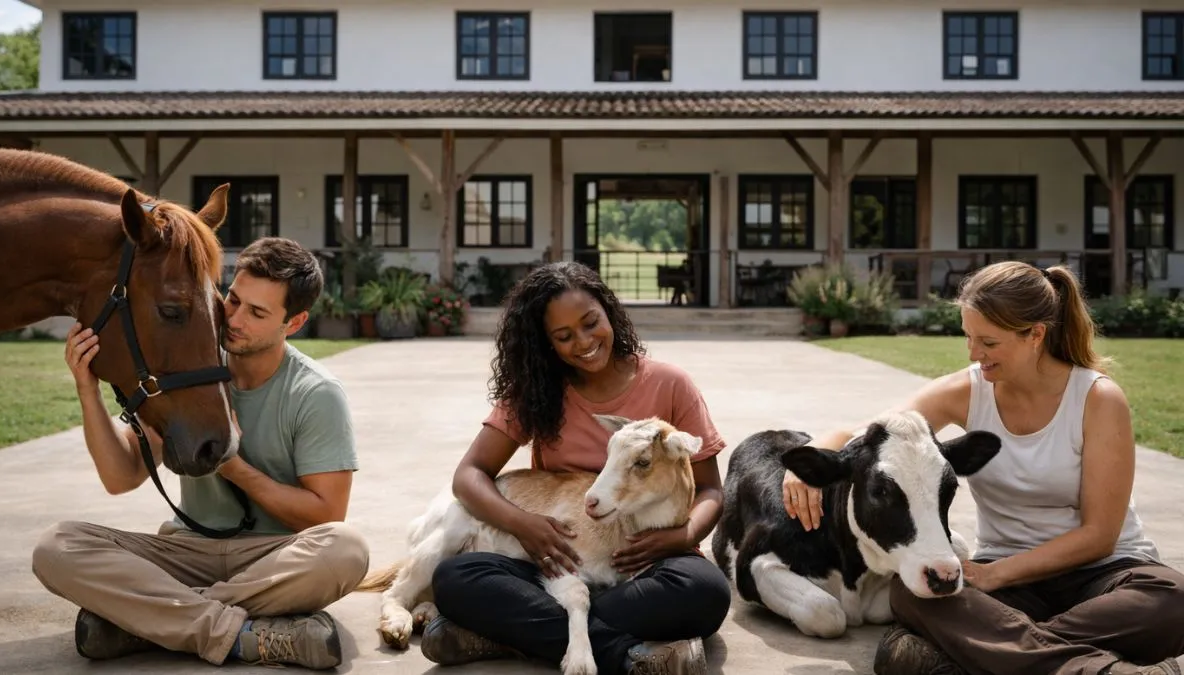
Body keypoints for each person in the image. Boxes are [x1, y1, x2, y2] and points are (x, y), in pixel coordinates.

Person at [782, 261, 1184, 675]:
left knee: (1174, 600)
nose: (975, 354)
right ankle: (1098, 668)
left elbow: (1099, 537)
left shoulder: (1098, 399)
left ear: (1035, 335)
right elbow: (870, 436)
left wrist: (996, 579)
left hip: (1105, 574)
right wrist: (815, 450)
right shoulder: (967, 390)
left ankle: (994, 652)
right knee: (909, 593)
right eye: (968, 337)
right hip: (1009, 584)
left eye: (988, 343)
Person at [32, 237, 369, 670]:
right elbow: (121, 477)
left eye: (257, 312)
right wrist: (87, 390)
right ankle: (242, 636)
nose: (234, 319)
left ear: (295, 322)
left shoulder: (316, 393)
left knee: (347, 549)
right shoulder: (189, 367)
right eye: (232, 299)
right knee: (56, 547)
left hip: (273, 558)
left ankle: (149, 623)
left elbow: (325, 515)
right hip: (185, 553)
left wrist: (232, 467)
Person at [419, 261, 731, 675]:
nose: (583, 342)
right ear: (546, 343)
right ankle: (623, 654)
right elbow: (469, 474)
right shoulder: (537, 391)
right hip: (553, 563)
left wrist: (682, 536)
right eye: (564, 337)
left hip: (649, 558)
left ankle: (504, 633)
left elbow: (710, 489)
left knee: (705, 592)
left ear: (609, 310)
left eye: (590, 323)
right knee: (456, 576)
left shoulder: (670, 384)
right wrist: (522, 524)